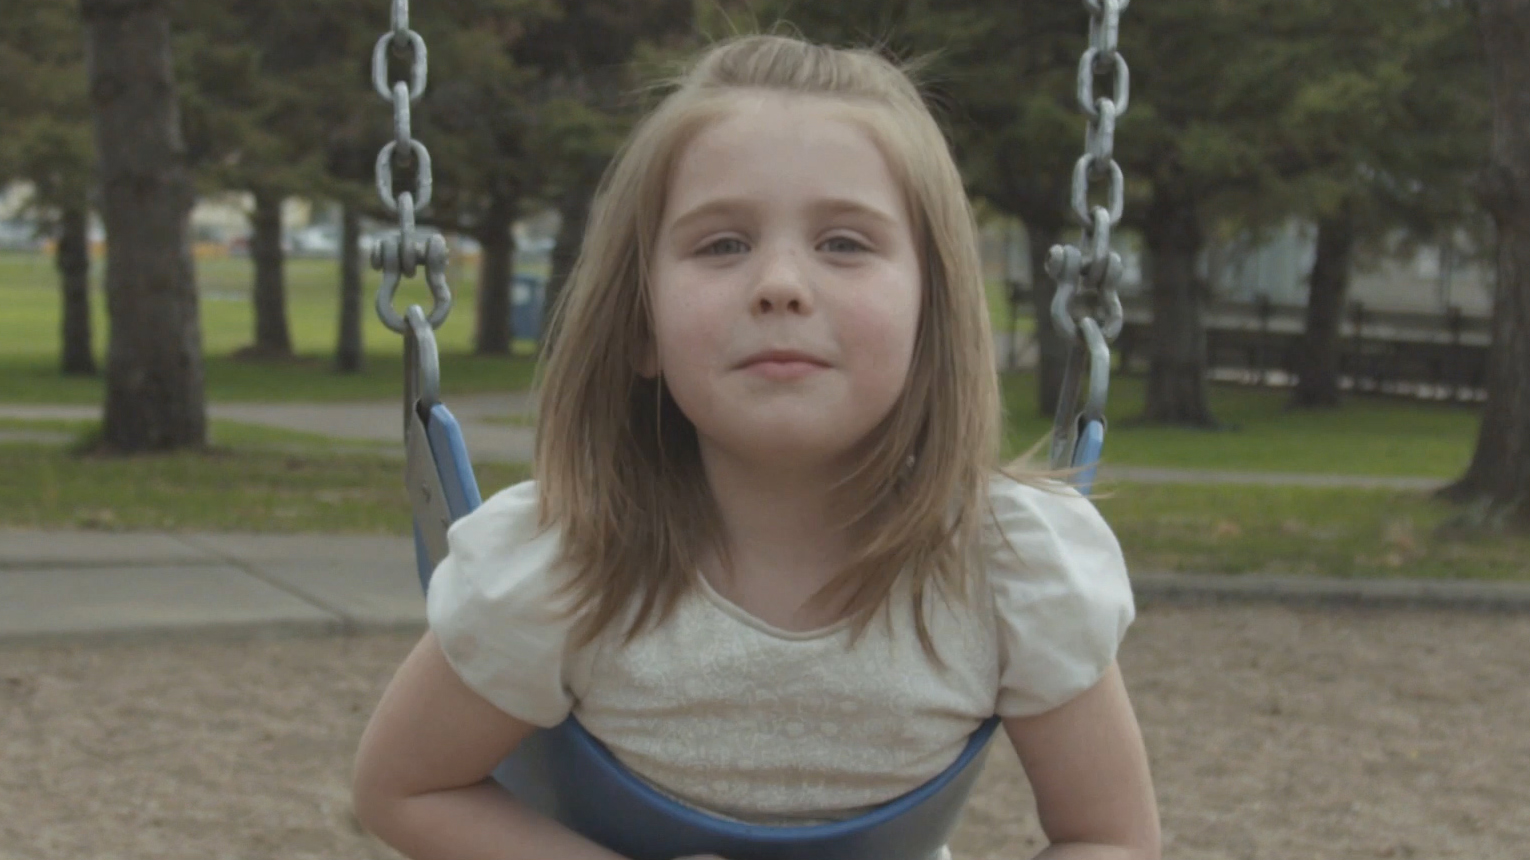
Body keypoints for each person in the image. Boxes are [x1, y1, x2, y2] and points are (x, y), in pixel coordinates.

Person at [351, 32, 1160, 860]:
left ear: (933, 318)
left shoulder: (1012, 567)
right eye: (722, 245)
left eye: (844, 243)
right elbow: (406, 786)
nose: (779, 283)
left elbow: (1111, 837)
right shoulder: (563, 564)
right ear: (642, 326)